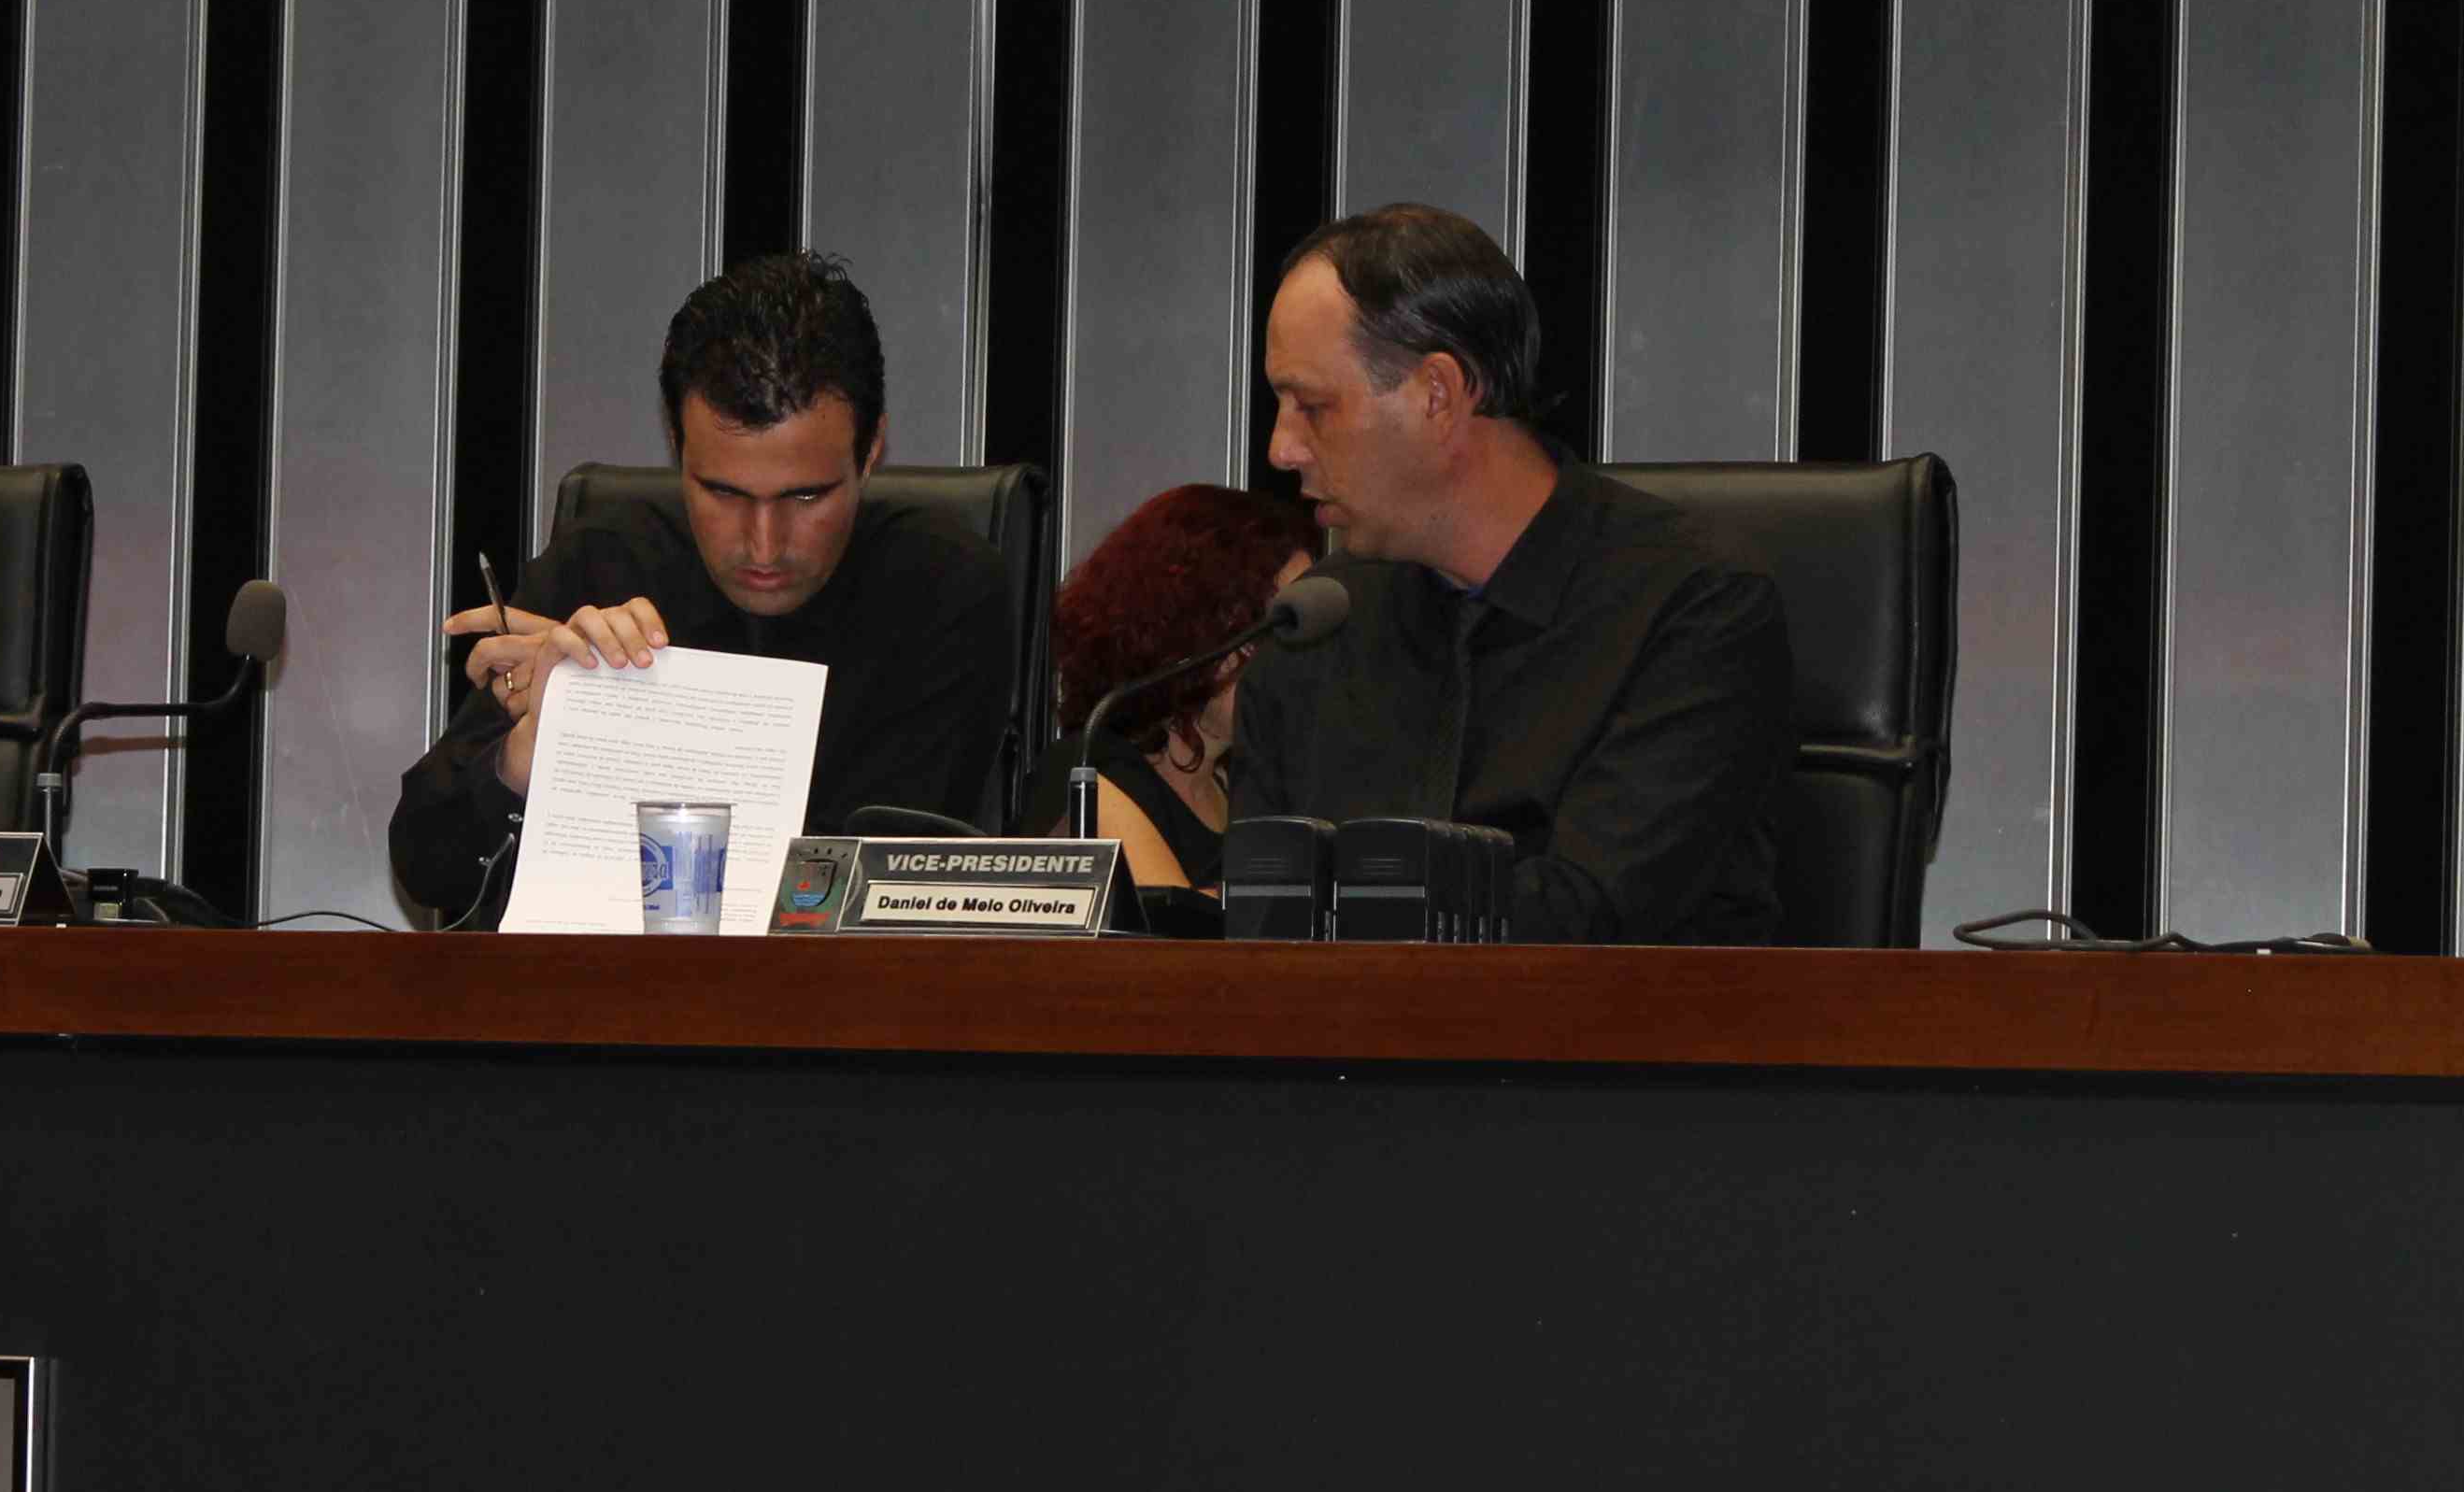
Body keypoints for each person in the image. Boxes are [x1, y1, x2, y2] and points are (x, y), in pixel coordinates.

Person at [391, 250, 1017, 921]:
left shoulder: (943, 588)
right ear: (676, 445)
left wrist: (618, 728)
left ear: (870, 453)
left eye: (806, 496)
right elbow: (428, 871)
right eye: (723, 492)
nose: (764, 544)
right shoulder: (602, 564)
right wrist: (527, 753)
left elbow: (858, 892)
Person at [1231, 203, 1795, 944]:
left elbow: (1587, 918)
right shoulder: (1315, 625)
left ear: (1438, 394)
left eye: (1313, 407)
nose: (1281, 449)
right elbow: (1259, 918)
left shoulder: (1694, 609)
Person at [1036, 483, 1318, 895]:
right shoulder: (1091, 776)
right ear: (1202, 633)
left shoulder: (1254, 782)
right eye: (1280, 629)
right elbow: (1174, 925)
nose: (1307, 659)